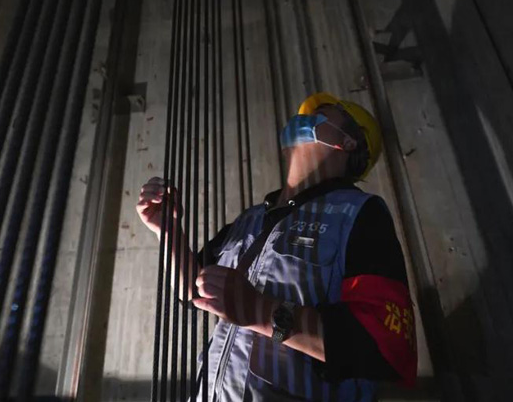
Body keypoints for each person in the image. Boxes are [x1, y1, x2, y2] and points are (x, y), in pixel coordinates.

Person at [137, 92, 417, 401]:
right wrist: (168, 230)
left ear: (348, 142)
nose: (302, 121)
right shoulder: (252, 219)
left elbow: (385, 345)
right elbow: (194, 292)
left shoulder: (359, 214)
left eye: (320, 116)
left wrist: (259, 310)